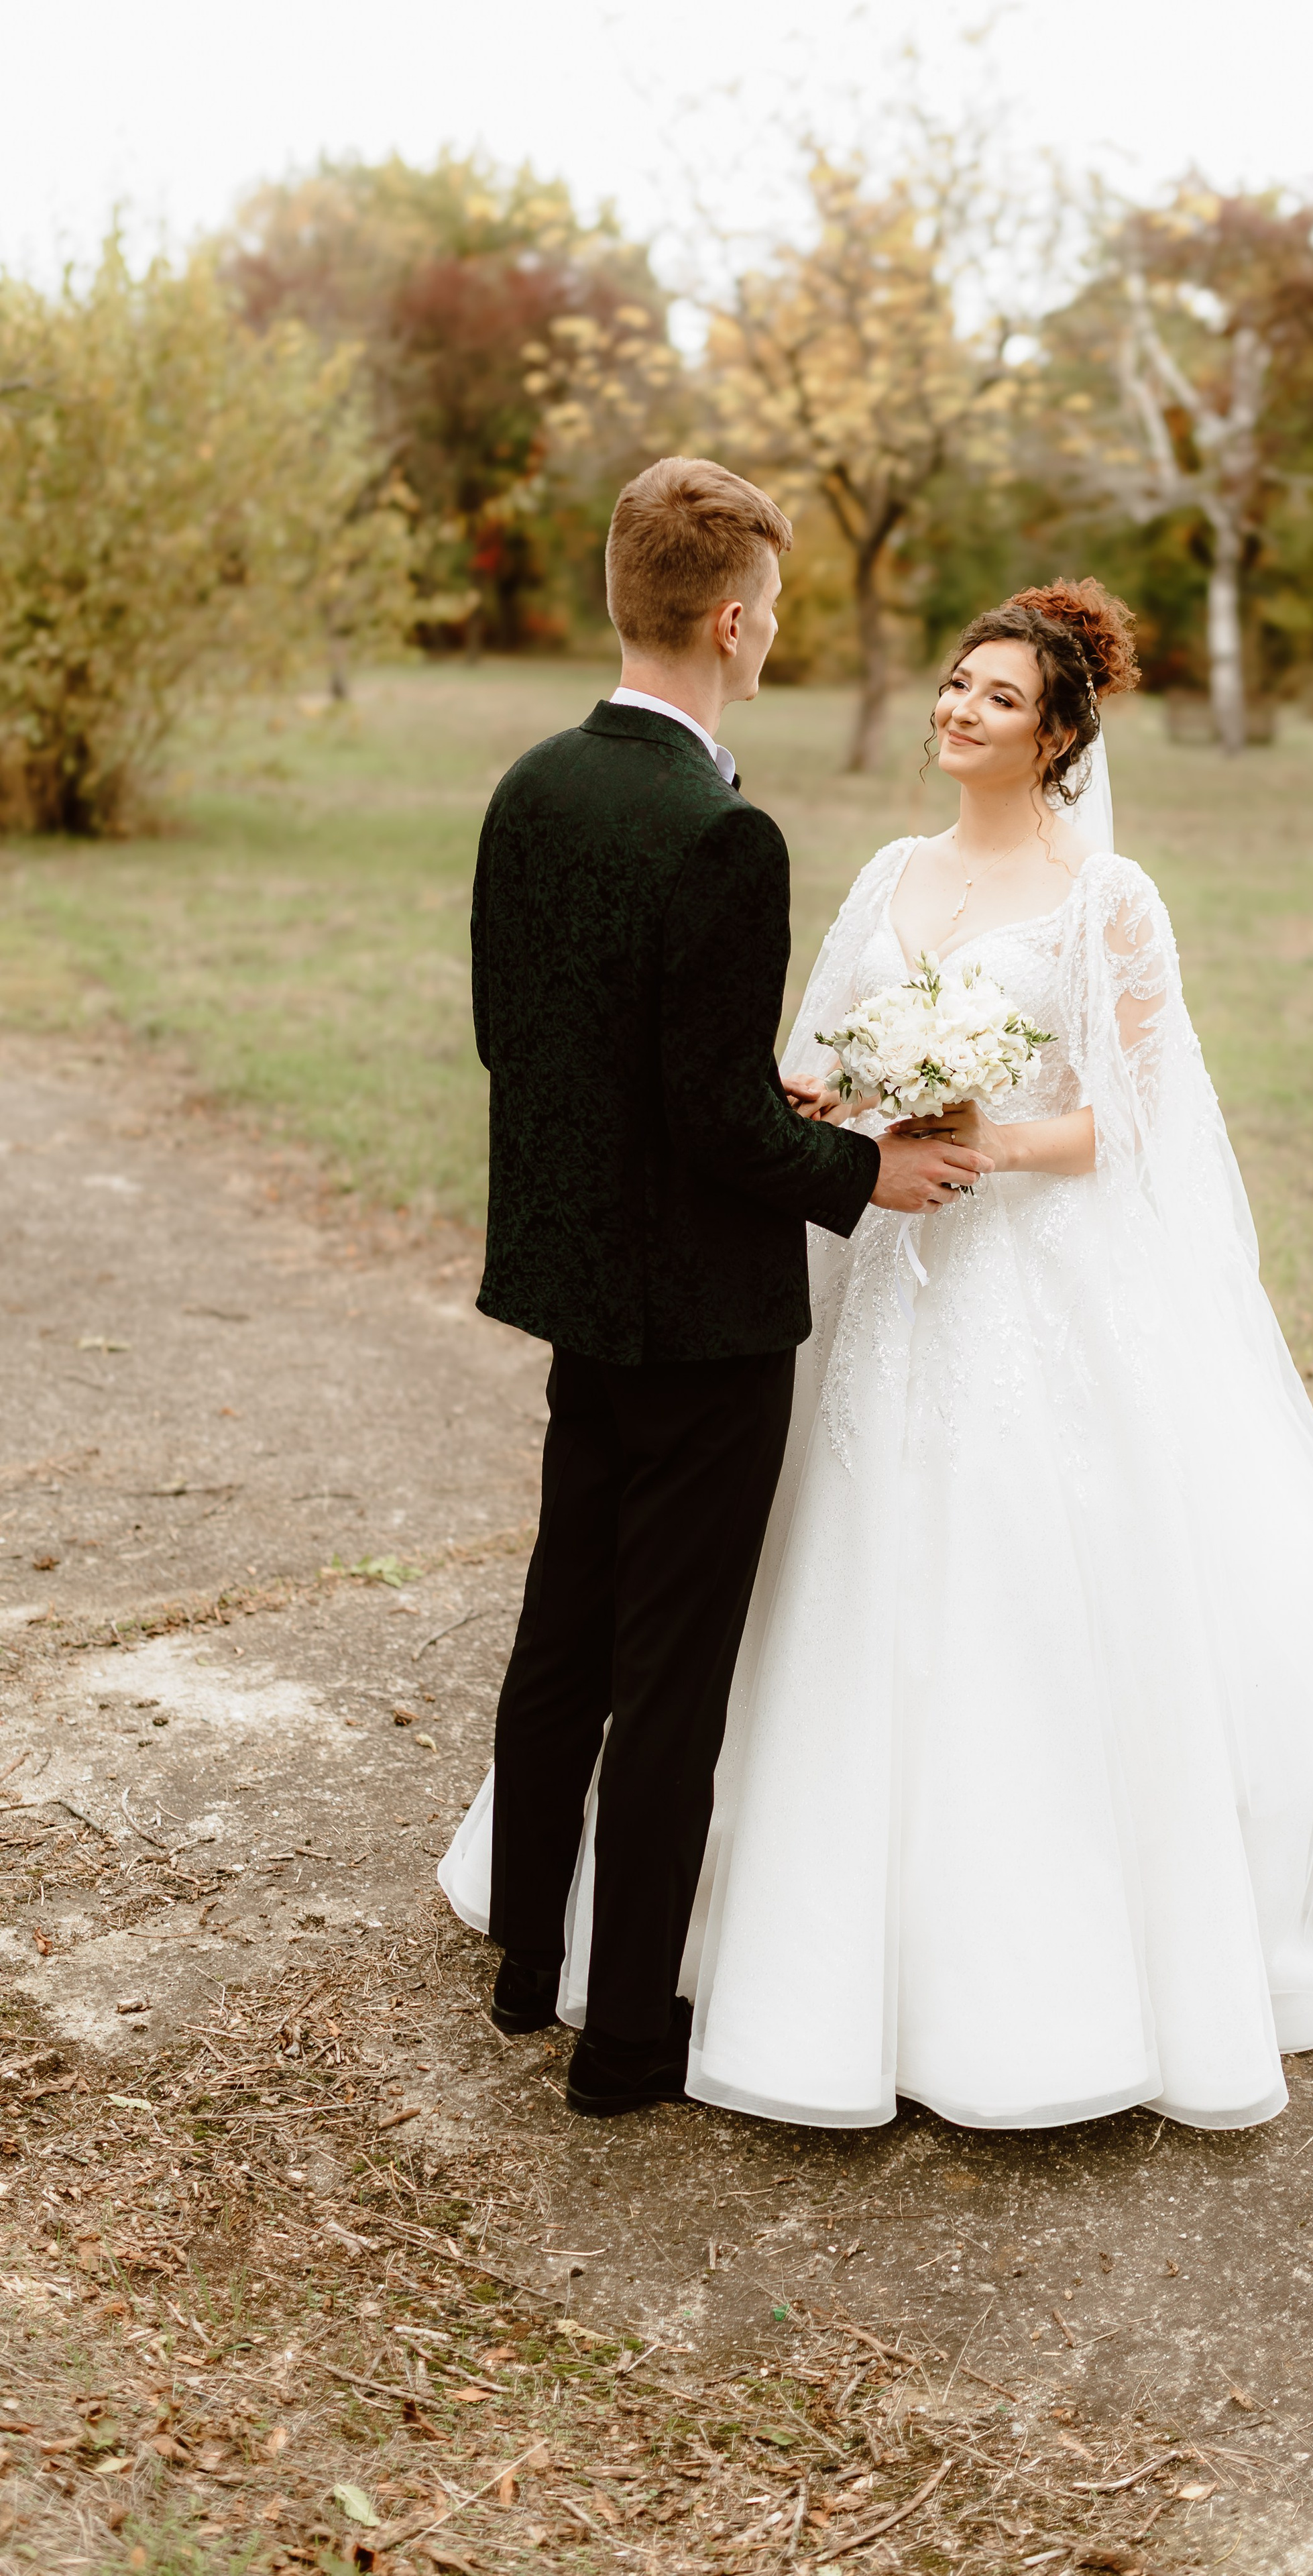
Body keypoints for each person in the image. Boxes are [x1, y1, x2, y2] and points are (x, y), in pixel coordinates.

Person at [445, 568, 1313, 2132]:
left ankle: (1031, 1955)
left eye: (996, 697)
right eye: (950, 685)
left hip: (1019, 1280)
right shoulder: (882, 871)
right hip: (871, 1268)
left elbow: (1121, 1128)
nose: (957, 711)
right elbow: (802, 1059)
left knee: (1020, 1589)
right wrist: (833, 1115)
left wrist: (981, 1137)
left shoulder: (1108, 902)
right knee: (779, 1576)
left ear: (1058, 735)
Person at [443, 458, 989, 2118]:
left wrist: (762, 1099)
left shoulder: (532, 785)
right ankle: (623, 2050)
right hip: (704, 1322)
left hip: (579, 1293)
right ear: (732, 618)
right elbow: (702, 1118)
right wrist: (858, 1169)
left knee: (561, 1635)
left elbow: (530, 1043)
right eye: (775, 614)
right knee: (672, 1680)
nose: (773, 641)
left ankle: (526, 1970)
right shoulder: (722, 830)